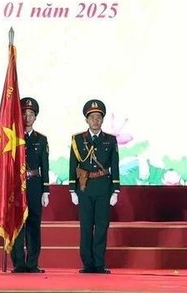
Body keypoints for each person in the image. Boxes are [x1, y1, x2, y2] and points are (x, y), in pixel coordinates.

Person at [69, 98, 121, 274]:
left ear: (102, 119)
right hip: (84, 188)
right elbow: (72, 164)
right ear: (86, 120)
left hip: (104, 188)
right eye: (92, 118)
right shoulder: (77, 140)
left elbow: (115, 165)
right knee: (85, 227)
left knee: (101, 226)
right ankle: (87, 264)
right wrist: (72, 189)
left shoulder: (110, 140)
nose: (95, 121)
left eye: (99, 117)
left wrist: (116, 190)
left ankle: (99, 264)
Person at [10, 97, 50, 273]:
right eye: (24, 113)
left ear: (36, 117)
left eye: (31, 114)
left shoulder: (41, 139)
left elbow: (45, 166)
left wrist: (45, 191)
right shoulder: (11, 138)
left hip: (34, 184)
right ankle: (18, 262)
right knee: (17, 224)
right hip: (15, 185)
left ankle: (32, 263)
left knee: (34, 224)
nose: (27, 117)